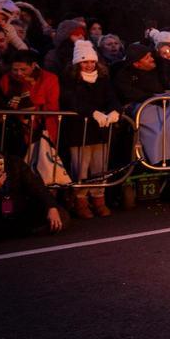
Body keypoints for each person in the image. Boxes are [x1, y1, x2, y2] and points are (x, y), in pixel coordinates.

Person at [59, 40, 121, 218]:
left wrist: (115, 111)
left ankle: (99, 199)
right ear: (78, 63)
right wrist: (92, 112)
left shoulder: (102, 79)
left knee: (99, 166)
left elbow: (112, 97)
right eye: (85, 62)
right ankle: (80, 201)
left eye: (92, 61)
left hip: (100, 131)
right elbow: (71, 101)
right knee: (81, 167)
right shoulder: (70, 81)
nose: (89, 65)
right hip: (80, 131)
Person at [0, 140, 67, 242]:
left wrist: (51, 207)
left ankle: (24, 232)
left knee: (59, 214)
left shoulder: (12, 163)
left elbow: (36, 186)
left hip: (18, 211)